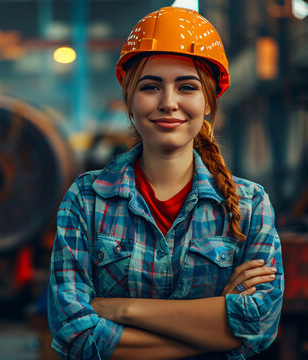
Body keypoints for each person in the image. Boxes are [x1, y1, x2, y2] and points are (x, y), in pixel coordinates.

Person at [47, 7, 283, 360]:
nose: (168, 102)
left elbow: (259, 325)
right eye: (151, 86)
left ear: (207, 102)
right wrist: (218, 326)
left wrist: (123, 310)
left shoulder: (250, 206)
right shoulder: (86, 200)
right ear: (130, 100)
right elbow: (75, 333)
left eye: (186, 87)